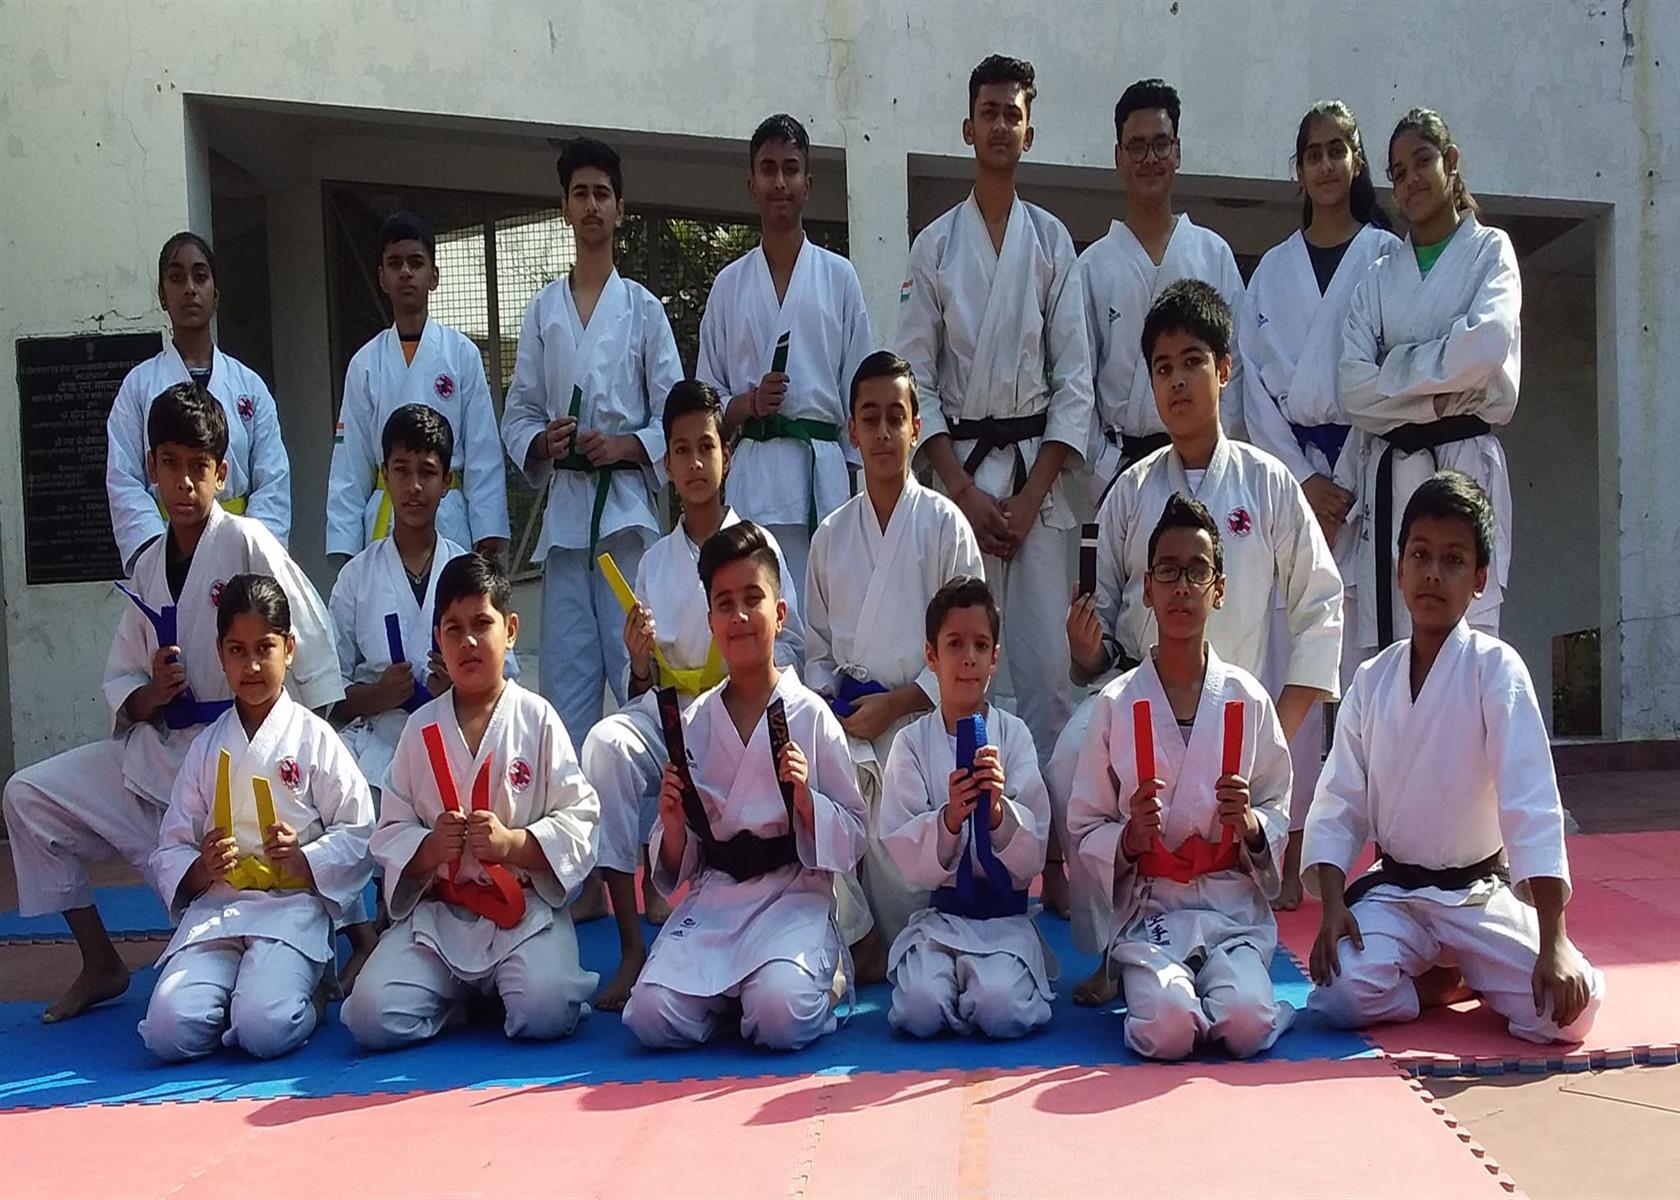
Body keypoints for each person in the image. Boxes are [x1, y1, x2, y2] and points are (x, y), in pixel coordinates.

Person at [4, 384, 340, 1022]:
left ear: (221, 472)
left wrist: (305, 754)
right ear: (151, 469)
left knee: (276, 875)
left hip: (234, 764)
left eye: (197, 466)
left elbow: (312, 650)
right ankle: (100, 960)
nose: (183, 482)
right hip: (158, 759)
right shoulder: (149, 564)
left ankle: (332, 947)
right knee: (28, 796)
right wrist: (151, 694)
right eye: (169, 464)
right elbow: (123, 683)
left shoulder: (247, 542)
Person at [1051, 280, 1341, 1004]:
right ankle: (1113, 946)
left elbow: (1321, 607)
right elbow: (1105, 633)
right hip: (1146, 708)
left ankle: (1233, 937)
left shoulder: (1268, 483)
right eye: (1162, 368)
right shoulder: (1131, 490)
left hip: (1234, 718)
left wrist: (1277, 727)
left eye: (1192, 362)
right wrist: (1088, 653)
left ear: (1224, 369)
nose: (1177, 381)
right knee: (1066, 759)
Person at [1305, 471, 1603, 1044]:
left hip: (1477, 893)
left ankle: (1467, 969)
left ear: (1480, 579)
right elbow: (1339, 800)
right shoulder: (1371, 679)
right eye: (1419, 555)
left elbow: (1531, 802)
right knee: (1338, 992)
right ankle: (1443, 984)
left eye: (1454, 560)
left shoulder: (1496, 669)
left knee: (1571, 1011)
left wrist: (1555, 940)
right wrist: (1334, 907)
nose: (1433, 573)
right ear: (1398, 569)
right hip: (1396, 892)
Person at [894, 53, 1094, 784]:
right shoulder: (935, 246)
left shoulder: (1052, 242)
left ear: (1029, 132)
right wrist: (962, 493)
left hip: (1036, 484)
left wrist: (1033, 495)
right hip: (962, 485)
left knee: (1045, 671)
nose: (1001, 126)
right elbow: (916, 379)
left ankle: (1047, 830)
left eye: (1013, 114)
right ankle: (954, 818)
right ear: (968, 128)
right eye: (990, 113)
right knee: (959, 661)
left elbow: (1075, 380)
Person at [580, 381, 805, 1012]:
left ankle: (782, 919)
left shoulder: (760, 548)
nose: (696, 463)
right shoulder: (654, 561)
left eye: (706, 447)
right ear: (667, 463)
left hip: (742, 713)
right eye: (681, 450)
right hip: (673, 716)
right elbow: (643, 687)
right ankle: (631, 945)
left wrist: (743, 673)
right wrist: (638, 661)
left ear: (726, 455)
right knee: (605, 745)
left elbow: (793, 647)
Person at [1239, 101, 1403, 909]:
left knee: (1371, 670)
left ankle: (1394, 849)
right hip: (1295, 483)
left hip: (1368, 470)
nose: (1328, 165)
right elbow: (1252, 390)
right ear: (1299, 170)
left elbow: (1393, 371)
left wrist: (1346, 472)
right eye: (1314, 153)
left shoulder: (1388, 257)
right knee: (1295, 664)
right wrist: (1304, 479)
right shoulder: (1271, 271)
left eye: (1340, 150)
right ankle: (1290, 845)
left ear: (1357, 162)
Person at [621, 523, 867, 1051]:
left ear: (780, 613)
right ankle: (732, 1000)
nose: (738, 616)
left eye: (752, 599)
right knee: (648, 1015)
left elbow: (854, 834)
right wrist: (672, 827)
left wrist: (807, 802)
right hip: (718, 898)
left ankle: (812, 980)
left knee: (782, 1017)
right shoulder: (697, 723)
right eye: (724, 603)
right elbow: (678, 863)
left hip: (793, 895)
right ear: (710, 621)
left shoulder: (812, 716)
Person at [1068, 495, 1295, 1060]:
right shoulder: (1116, 704)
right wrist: (1128, 839)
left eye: (1198, 571)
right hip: (1152, 909)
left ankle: (1230, 998)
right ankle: (1143, 981)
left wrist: (1252, 827)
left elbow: (1278, 805)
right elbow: (1085, 824)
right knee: (1167, 1030)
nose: (1182, 587)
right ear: (1146, 588)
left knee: (1246, 1026)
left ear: (1219, 589)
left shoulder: (1247, 699)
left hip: (1229, 908)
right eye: (1168, 571)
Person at [342, 555, 600, 1048]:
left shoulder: (537, 718)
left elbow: (580, 817)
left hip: (521, 912)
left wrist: (516, 844)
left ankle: (501, 989)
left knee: (545, 1009)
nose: (468, 642)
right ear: (437, 640)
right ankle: (458, 1003)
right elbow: (390, 829)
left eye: (482, 624)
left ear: (511, 630)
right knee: (370, 1015)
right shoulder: (420, 729)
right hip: (441, 917)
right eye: (453, 629)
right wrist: (429, 848)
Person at [139, 575, 374, 1061]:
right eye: (237, 650)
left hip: (291, 909)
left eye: (264, 648)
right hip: (220, 909)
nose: (251, 666)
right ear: (220, 655)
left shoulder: (315, 738)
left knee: (265, 1030)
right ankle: (236, 998)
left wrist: (305, 859)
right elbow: (172, 844)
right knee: (166, 1031)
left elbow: (359, 829)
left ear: (289, 649)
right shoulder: (206, 747)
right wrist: (201, 867)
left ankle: (309, 993)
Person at [804, 350, 985, 982]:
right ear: (851, 432)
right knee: (800, 795)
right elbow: (816, 650)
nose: (883, 432)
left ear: (916, 427)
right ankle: (856, 939)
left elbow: (969, 647)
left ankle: (899, 937)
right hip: (849, 724)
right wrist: (835, 710)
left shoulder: (945, 526)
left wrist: (900, 702)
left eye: (895, 417)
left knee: (915, 903)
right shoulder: (830, 536)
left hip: (924, 722)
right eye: (870, 418)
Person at [502, 138, 683, 742]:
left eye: (602, 194)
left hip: (625, 520)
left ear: (620, 209)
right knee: (565, 688)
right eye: (579, 194)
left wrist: (625, 446)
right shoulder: (543, 311)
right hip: (565, 524)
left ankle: (651, 797)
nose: (591, 205)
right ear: (564, 208)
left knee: (640, 674)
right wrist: (544, 441)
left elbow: (676, 416)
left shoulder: (644, 310)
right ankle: (570, 800)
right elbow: (518, 413)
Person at [330, 404, 512, 986]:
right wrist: (375, 695)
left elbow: (505, 681)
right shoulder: (356, 577)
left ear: (447, 481)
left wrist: (458, 688)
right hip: (378, 740)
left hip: (454, 743)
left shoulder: (468, 570)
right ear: (383, 475)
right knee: (340, 805)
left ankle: (448, 921)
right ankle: (363, 934)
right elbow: (325, 694)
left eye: (427, 472)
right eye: (401, 470)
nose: (413, 487)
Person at [1338, 109, 1520, 653]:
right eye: (1398, 172)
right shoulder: (1378, 278)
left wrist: (1393, 367)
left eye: (1422, 162)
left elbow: (1485, 348)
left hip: (1464, 460)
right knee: (1391, 651)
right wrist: (1439, 392)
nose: (1411, 180)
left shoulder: (1490, 252)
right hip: (1392, 471)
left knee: (1467, 648)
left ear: (1451, 161)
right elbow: (1353, 390)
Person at [697, 113, 874, 588]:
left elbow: (860, 398)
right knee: (754, 606)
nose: (780, 182)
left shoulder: (839, 278)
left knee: (827, 612)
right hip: (754, 477)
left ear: (808, 184)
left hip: (822, 477)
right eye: (768, 169)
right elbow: (707, 406)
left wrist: (858, 487)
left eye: (791, 169)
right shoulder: (729, 286)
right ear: (751, 184)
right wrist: (749, 403)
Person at [878, 576, 1052, 1039]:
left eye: (980, 645)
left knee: (999, 1007)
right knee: (920, 1009)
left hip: (1004, 920)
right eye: (954, 644)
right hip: (943, 916)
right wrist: (950, 819)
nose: (968, 657)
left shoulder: (1013, 735)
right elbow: (903, 851)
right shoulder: (911, 744)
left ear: (995, 657)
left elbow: (1035, 845)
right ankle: (954, 990)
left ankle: (976, 992)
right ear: (931, 656)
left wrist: (996, 813)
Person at [1077, 78, 1247, 508]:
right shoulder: (1092, 266)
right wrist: (1103, 467)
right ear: (1118, 157)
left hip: (1205, 468)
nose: (1149, 158)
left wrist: (1215, 458)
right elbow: (1076, 380)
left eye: (1160, 144)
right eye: (1136, 147)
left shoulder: (1213, 254)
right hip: (1119, 469)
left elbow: (1238, 369)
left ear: (1178, 152)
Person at [327, 210, 509, 565]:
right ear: (382, 278)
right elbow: (350, 461)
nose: (406, 273)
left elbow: (483, 449)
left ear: (434, 276)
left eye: (416, 262)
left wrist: (486, 533)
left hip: (448, 518)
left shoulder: (462, 355)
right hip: (385, 521)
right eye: (395, 264)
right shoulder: (365, 363)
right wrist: (345, 545)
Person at [107, 232, 291, 572]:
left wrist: (252, 554)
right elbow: (124, 479)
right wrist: (158, 557)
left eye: (200, 276)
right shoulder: (139, 387)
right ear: (162, 295)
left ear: (216, 293)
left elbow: (272, 479)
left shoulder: (249, 386)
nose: (190, 288)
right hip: (166, 550)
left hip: (238, 552)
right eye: (177, 278)